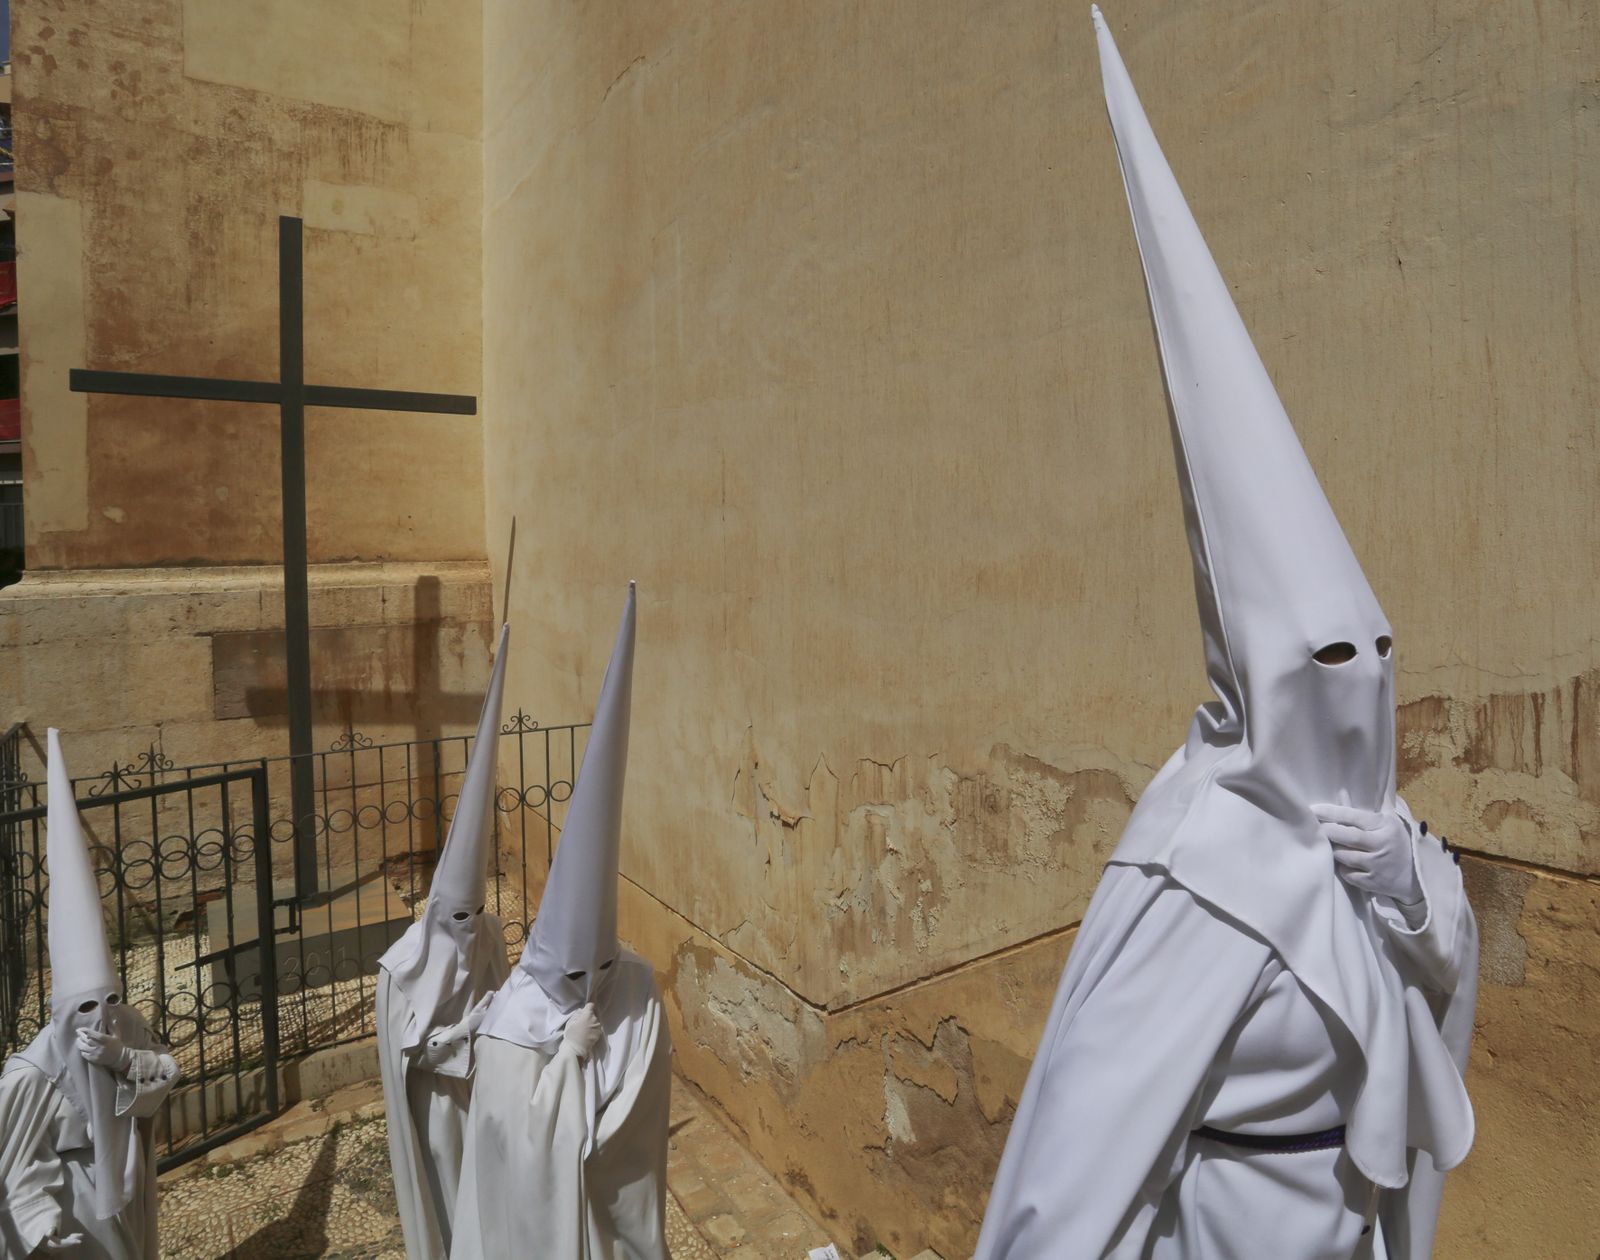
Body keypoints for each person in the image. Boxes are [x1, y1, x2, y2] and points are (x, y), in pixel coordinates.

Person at [972, 12, 1476, 1259]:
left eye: (1373, 648)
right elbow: (1078, 1165)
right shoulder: (1184, 873)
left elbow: (1439, 967)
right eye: (1323, 660)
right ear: (1257, 680)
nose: (1357, 686)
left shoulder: (1377, 827)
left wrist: (1411, 896)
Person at [452, 583, 671, 1260]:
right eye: (574, 972)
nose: (589, 986)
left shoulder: (631, 984)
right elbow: (511, 1149)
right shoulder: (510, 1026)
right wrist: (568, 1061)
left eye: (598, 967)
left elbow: (636, 1123)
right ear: (544, 956)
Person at [0, 731, 180, 1259]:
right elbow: (14, 1159)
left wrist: (124, 1058)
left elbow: (166, 1077)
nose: (102, 1018)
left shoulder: (127, 1028)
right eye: (85, 1007)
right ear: (59, 1013)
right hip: (74, 1203)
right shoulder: (31, 1074)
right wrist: (37, 1227)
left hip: (126, 1185)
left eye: (110, 1000)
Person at [378, 623, 513, 1260]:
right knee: (446, 1177)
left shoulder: (486, 931)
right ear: (435, 912)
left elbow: (504, 994)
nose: (469, 927)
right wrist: (467, 1030)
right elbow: (413, 1054)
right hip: (436, 1098)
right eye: (457, 917)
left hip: (483, 1084)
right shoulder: (403, 968)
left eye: (476, 913)